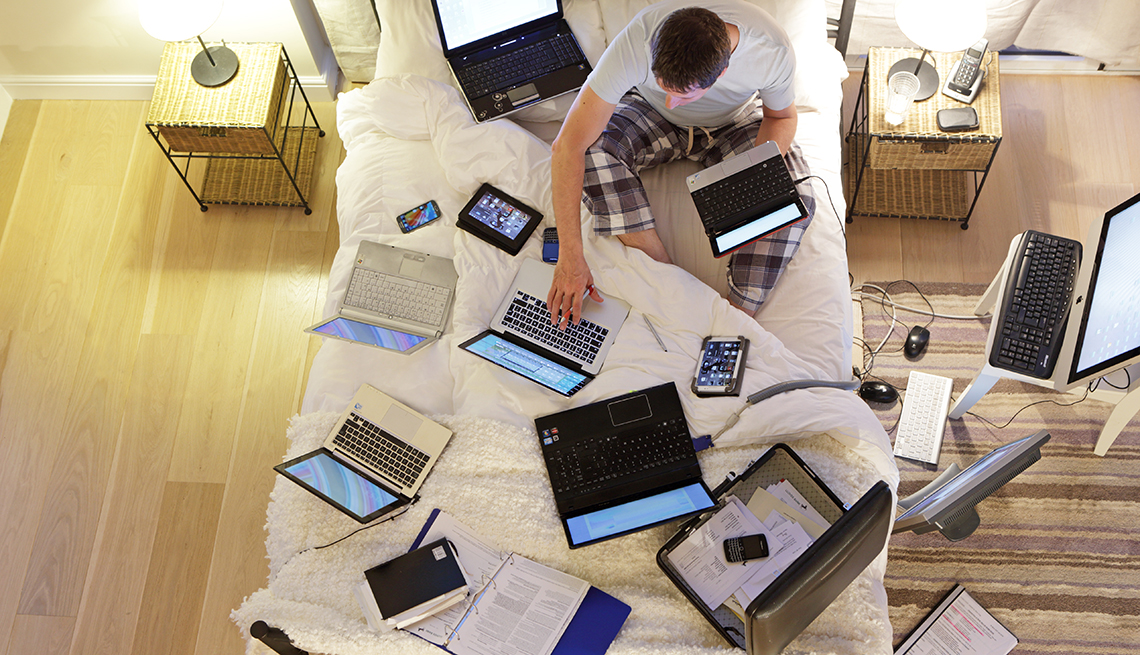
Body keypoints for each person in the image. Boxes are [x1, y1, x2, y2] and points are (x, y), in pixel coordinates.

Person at [546, 0, 817, 328]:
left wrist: (753, 182)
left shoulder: (770, 50)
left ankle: (733, 315)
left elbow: (782, 116)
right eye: (666, 88)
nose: (674, 101)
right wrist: (570, 256)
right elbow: (567, 146)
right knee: (592, 150)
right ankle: (671, 279)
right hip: (650, 114)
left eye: (684, 96)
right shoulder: (639, 41)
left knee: (793, 193)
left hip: (735, 121)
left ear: (724, 71)